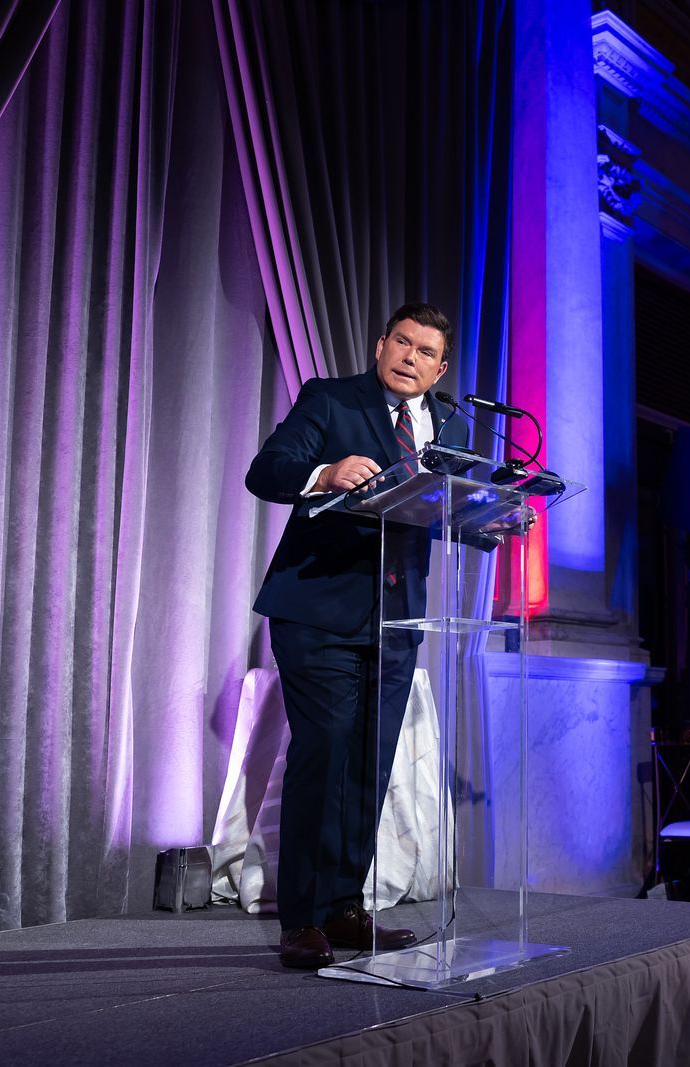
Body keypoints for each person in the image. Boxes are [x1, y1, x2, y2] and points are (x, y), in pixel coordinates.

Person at [246, 302, 475, 970]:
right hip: (318, 611)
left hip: (397, 620)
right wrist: (323, 474)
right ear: (380, 345)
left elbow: (455, 503)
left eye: (426, 350)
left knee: (368, 762)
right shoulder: (331, 399)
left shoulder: (450, 424)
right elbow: (268, 469)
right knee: (325, 749)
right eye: (401, 342)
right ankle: (303, 919)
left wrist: (491, 521)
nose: (410, 356)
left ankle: (346, 906)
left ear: (441, 367)